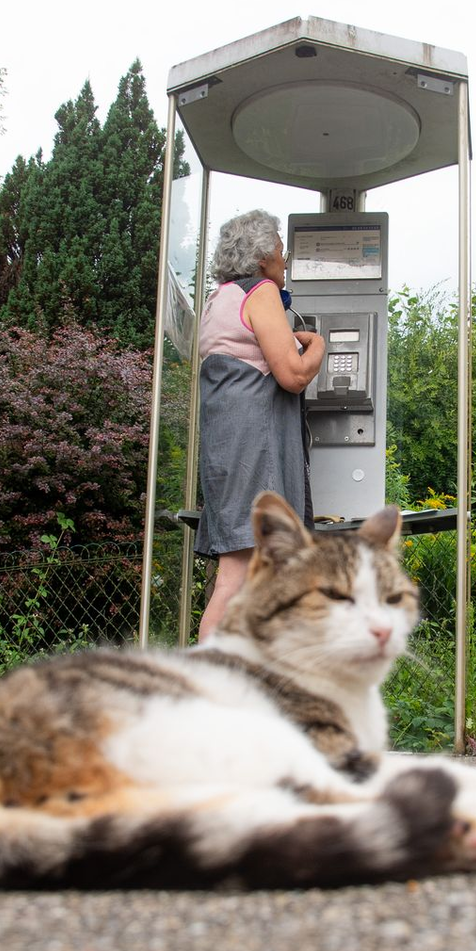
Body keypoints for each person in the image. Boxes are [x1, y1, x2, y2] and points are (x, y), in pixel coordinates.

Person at [195, 210, 324, 641]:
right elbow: (293, 375)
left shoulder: (219, 299)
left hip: (227, 454)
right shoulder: (261, 292)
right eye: (282, 253)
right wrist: (318, 345)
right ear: (264, 255)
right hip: (255, 455)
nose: (284, 263)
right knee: (237, 580)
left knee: (239, 577)